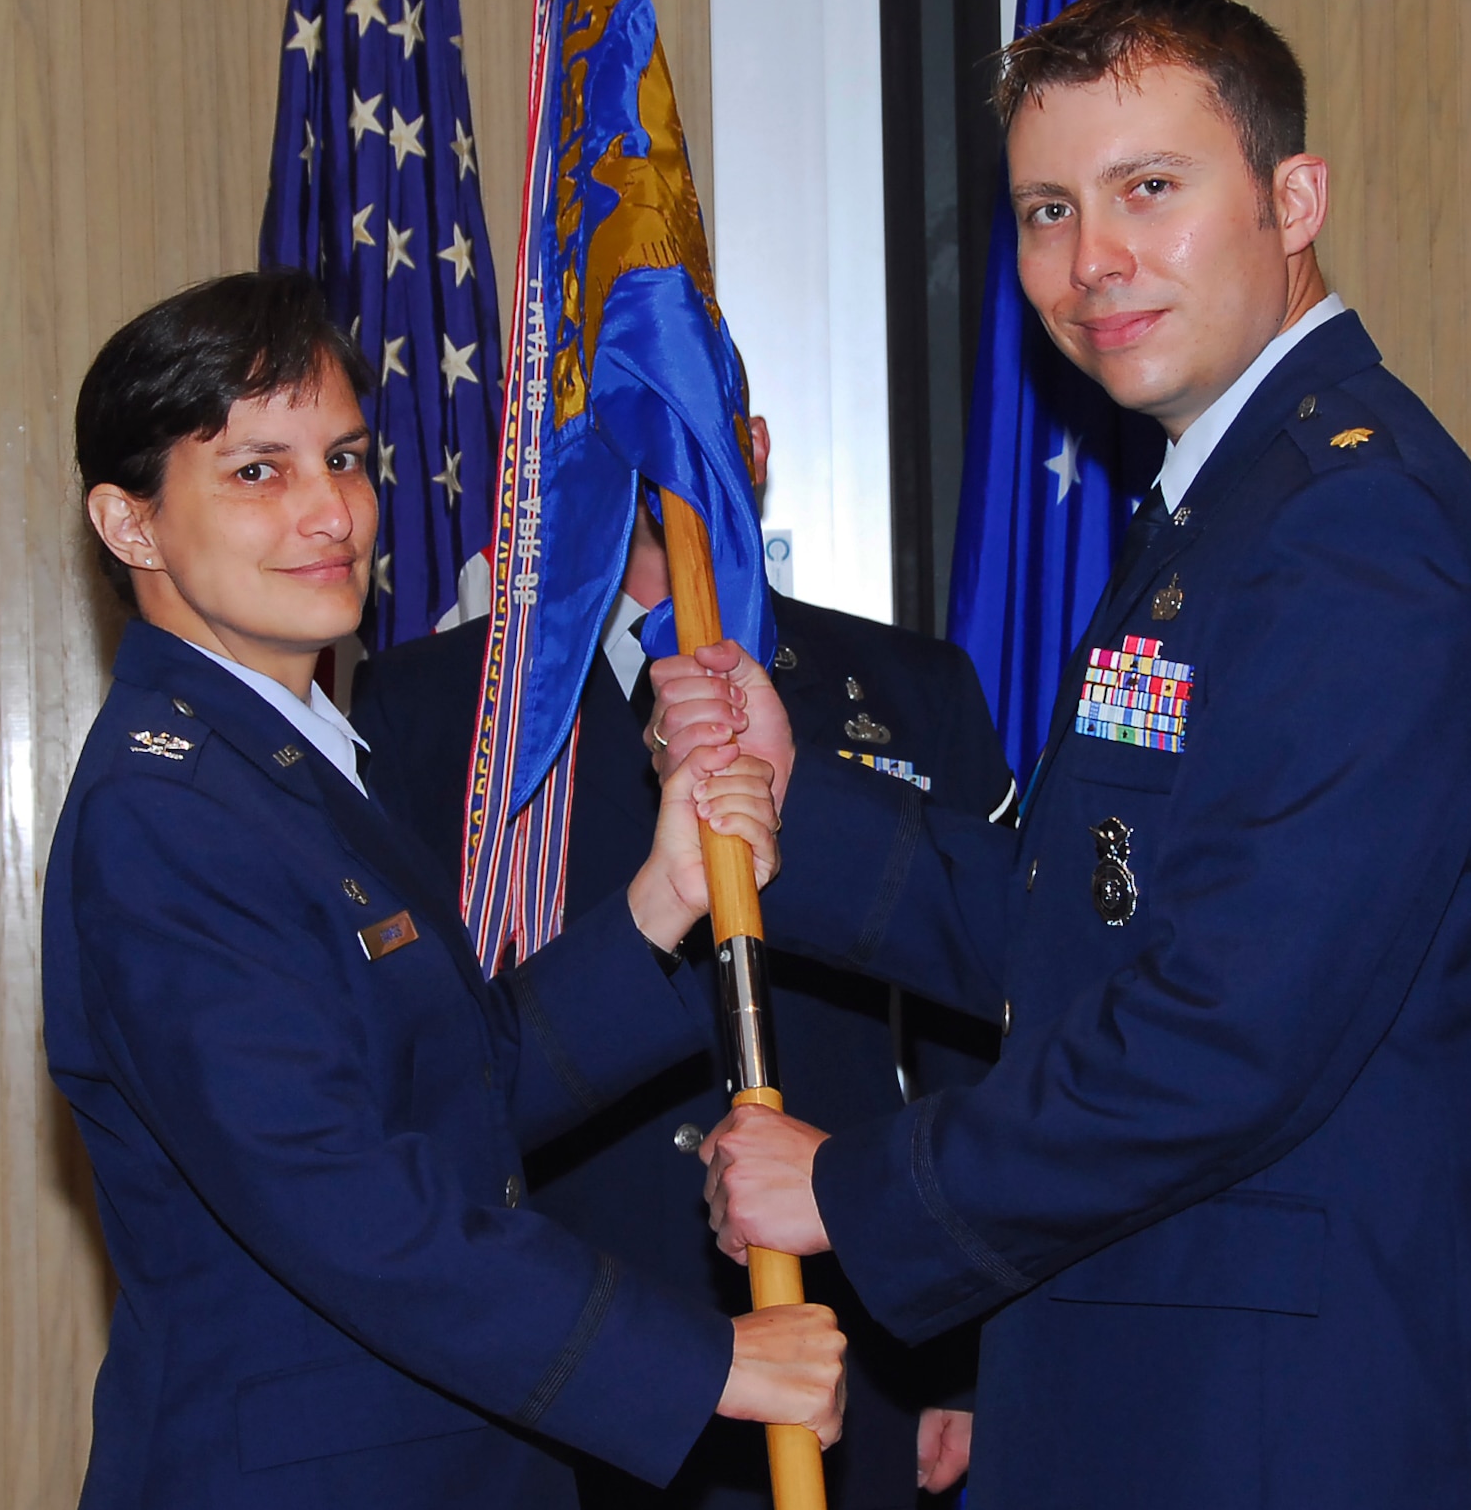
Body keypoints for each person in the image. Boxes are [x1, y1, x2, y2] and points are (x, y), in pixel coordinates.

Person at [659, 0, 1471, 1507]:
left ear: (1292, 198)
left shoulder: (1353, 532)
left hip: (1308, 1423)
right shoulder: (1226, 505)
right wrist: (788, 808)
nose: (1089, 262)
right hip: (1187, 1389)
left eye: (1147, 191)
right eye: (1046, 208)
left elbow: (1226, 1028)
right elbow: (1087, 917)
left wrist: (853, 1185)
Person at [40, 269, 844, 1510]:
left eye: (347, 459)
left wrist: (659, 899)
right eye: (257, 471)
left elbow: (447, 1095)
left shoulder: (288, 756)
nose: (330, 514)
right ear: (131, 522)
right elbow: (343, 1198)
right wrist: (705, 1361)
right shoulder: (170, 811)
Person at [354, 399, 1014, 1509]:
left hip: (845, 1323)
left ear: (752, 446)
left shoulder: (908, 685)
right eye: (618, 421)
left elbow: (967, 1031)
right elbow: (414, 1043)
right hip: (562, 1336)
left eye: (691, 412)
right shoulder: (432, 704)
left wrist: (963, 1356)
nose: (657, 454)